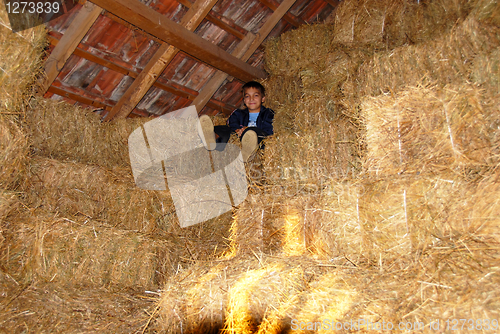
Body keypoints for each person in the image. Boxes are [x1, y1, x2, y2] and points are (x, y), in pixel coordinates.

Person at [198, 81, 274, 162]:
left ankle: (248, 152)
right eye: (247, 96)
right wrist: (238, 129)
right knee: (225, 129)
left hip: (257, 139)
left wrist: (247, 129)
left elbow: (268, 130)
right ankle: (211, 139)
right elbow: (231, 122)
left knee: (252, 132)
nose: (251, 99)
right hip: (239, 136)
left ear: (263, 98)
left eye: (255, 95)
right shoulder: (238, 113)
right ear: (244, 100)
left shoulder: (268, 113)